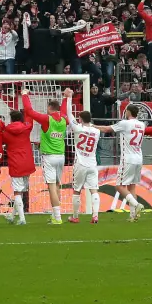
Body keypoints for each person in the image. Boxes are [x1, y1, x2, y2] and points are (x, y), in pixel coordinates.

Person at [20, 91, 68, 225]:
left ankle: (57, 218)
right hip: (61, 156)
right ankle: (55, 216)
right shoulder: (64, 119)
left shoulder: (47, 119)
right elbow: (63, 111)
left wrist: (24, 95)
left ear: (49, 108)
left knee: (52, 186)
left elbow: (29, 111)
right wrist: (65, 98)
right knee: (58, 185)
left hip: (49, 157)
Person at [97, 106, 147, 222]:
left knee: (119, 186)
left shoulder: (125, 123)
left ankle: (136, 204)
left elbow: (106, 129)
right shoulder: (142, 125)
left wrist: (93, 126)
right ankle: (133, 215)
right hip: (139, 158)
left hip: (128, 158)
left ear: (128, 112)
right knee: (132, 187)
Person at [65, 92, 102, 224]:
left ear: (80, 119)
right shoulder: (97, 131)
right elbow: (91, 127)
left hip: (80, 163)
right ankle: (95, 215)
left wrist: (69, 98)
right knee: (94, 190)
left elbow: (69, 115)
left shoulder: (77, 128)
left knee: (77, 190)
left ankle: (75, 216)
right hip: (92, 163)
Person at [2, 110, 34, 225]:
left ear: (11, 119)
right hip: (28, 162)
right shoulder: (27, 128)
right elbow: (31, 117)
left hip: (16, 163)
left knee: (17, 192)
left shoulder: (6, 131)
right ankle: (12, 216)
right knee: (21, 191)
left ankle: (22, 219)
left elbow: (2, 141)